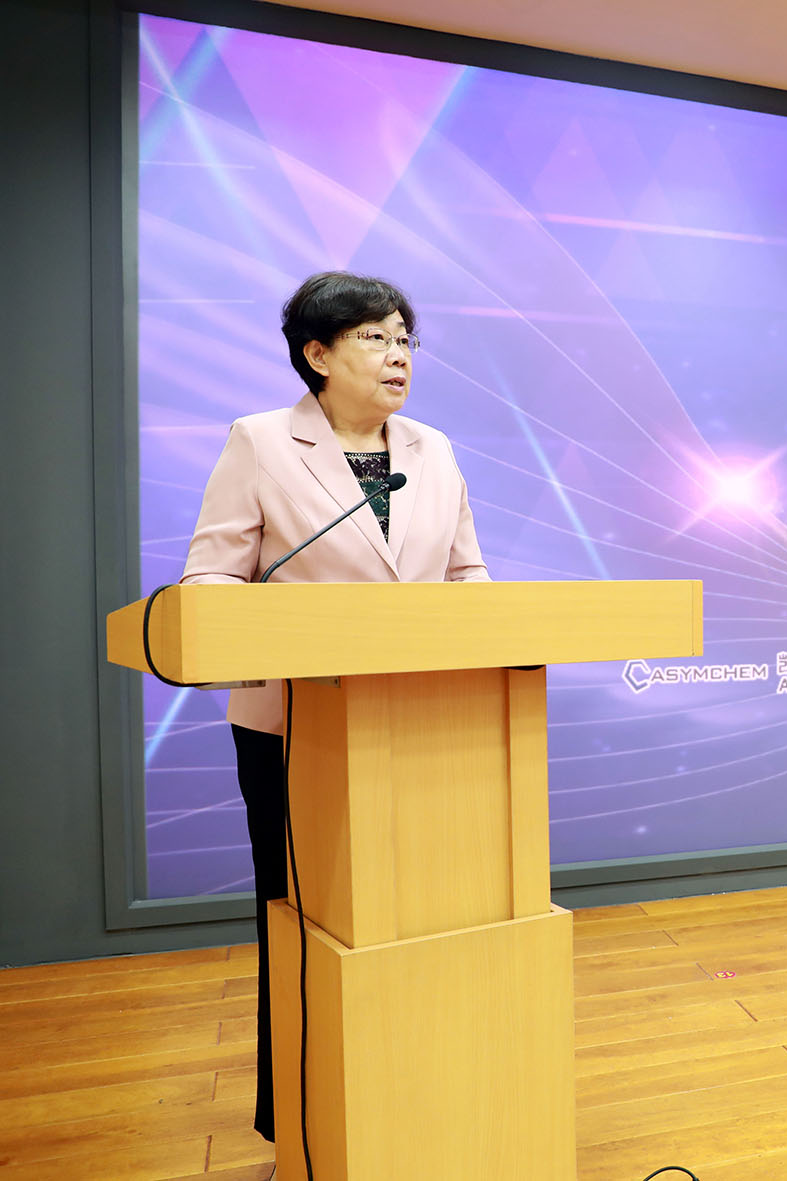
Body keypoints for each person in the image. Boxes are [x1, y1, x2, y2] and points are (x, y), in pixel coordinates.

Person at [179, 272, 490, 1168]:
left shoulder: (433, 449)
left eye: (404, 339)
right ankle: (305, 1118)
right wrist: (281, 631)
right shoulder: (261, 442)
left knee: (418, 917)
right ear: (317, 354)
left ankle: (416, 1096)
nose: (398, 356)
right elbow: (210, 577)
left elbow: (467, 577)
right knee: (306, 929)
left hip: (421, 725)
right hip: (295, 730)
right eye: (374, 338)